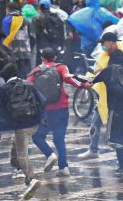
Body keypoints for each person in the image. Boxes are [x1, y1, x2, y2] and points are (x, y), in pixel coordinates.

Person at [0, 63, 44, 200]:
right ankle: (17, 168)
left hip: (21, 125)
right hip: (34, 122)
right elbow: (42, 100)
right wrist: (41, 118)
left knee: (22, 154)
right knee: (16, 144)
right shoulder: (29, 84)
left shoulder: (5, 88)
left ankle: (31, 179)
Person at [29, 48, 92, 177]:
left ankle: (50, 154)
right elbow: (69, 79)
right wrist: (84, 85)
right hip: (61, 108)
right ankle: (64, 168)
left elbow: (27, 86)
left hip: (45, 110)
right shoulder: (61, 67)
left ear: (42, 58)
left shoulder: (36, 71)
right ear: (55, 58)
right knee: (59, 139)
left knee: (37, 136)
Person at [90, 49, 123, 176]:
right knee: (119, 136)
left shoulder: (110, 69)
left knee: (111, 139)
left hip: (116, 109)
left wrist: (74, 78)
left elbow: (92, 80)